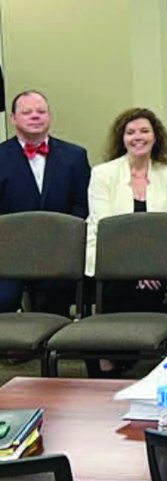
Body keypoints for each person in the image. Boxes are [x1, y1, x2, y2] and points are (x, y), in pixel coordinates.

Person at [0, 90, 91, 315]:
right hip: (10, 254)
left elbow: (82, 207)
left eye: (41, 111)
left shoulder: (75, 156)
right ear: (13, 119)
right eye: (27, 112)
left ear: (49, 116)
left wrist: (62, 243)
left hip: (61, 251)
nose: (35, 116)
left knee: (59, 300)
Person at [86, 108, 167, 311]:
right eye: (130, 133)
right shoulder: (102, 174)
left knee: (150, 289)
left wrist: (149, 268)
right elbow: (105, 230)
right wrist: (136, 270)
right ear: (122, 139)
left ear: (155, 137)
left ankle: (148, 339)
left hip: (157, 263)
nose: (138, 137)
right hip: (112, 260)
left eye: (144, 131)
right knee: (125, 288)